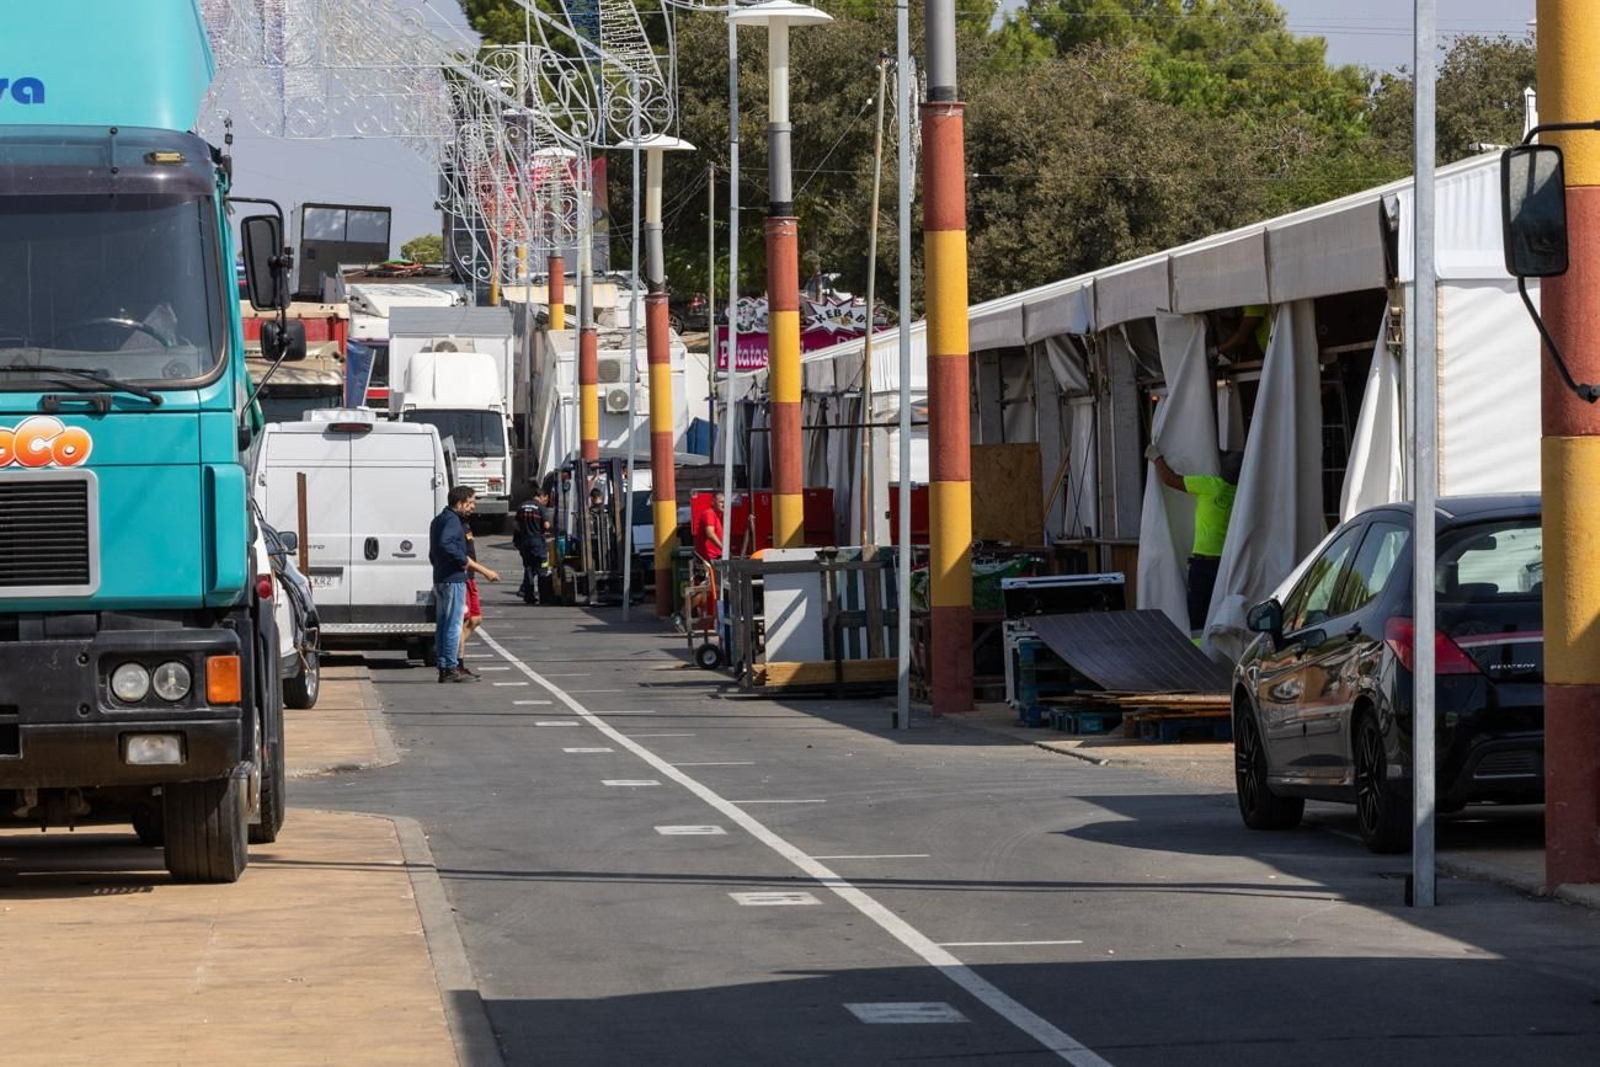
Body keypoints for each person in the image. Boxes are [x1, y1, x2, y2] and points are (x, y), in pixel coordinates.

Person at [1149, 448, 1244, 632]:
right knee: (1218, 613)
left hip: (1203, 565)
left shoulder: (1209, 485)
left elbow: (1169, 479)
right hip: (1226, 565)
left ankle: (1199, 653)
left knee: (1198, 615)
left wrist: (1156, 458)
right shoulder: (1241, 495)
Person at [428, 486, 499, 683]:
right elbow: (446, 544)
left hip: (441, 577)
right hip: (453, 578)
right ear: (459, 503)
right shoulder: (453, 520)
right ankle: (451, 666)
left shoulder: (439, 520)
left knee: (443, 624)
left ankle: (444, 665)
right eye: (470, 503)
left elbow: (434, 551)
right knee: (453, 624)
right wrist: (462, 561)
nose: (473, 507)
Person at [458, 523, 499, 670]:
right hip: (462, 578)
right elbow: (461, 556)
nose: (472, 506)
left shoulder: (465, 524)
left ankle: (451, 648)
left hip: (470, 578)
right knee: (463, 621)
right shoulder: (455, 524)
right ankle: (457, 663)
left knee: (475, 619)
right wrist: (485, 571)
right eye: (470, 503)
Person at [514, 489, 552, 604]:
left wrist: (525, 531)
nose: (545, 501)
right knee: (542, 569)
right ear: (541, 496)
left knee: (528, 568)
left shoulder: (521, 506)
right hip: (537, 543)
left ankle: (528, 596)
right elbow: (546, 525)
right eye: (545, 498)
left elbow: (515, 524)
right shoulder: (540, 508)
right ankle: (544, 597)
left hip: (525, 542)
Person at [694, 491, 725, 564]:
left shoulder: (718, 516)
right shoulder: (709, 513)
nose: (723, 505)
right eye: (721, 502)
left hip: (715, 558)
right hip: (708, 559)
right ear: (713, 502)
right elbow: (710, 534)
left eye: (724, 502)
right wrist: (724, 549)